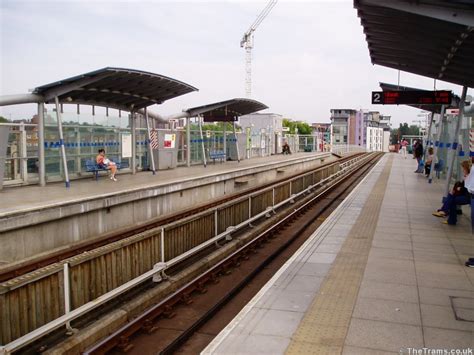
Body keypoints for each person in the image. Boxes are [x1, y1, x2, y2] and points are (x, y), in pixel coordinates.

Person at [432, 160, 471, 226]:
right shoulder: (467, 176)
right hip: (465, 195)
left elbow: (467, 189)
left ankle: (446, 213)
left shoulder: (470, 177)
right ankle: (445, 212)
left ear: (467, 168)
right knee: (451, 195)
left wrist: (459, 188)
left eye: (463, 168)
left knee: (452, 199)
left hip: (468, 197)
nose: (462, 170)